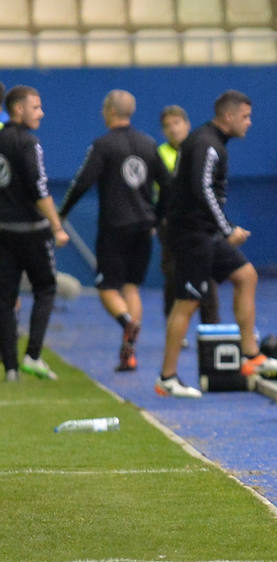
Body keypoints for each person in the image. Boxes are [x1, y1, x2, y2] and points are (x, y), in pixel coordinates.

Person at [156, 90, 277, 397]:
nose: (249, 123)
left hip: (203, 233)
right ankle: (167, 377)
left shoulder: (211, 142)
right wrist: (226, 228)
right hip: (191, 236)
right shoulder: (206, 143)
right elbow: (203, 189)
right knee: (186, 304)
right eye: (245, 117)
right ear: (228, 117)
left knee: (246, 275)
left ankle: (251, 356)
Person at [60, 90, 170, 372]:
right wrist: (156, 219)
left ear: (109, 110)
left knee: (107, 287)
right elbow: (169, 187)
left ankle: (126, 324)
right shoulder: (148, 144)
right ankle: (129, 352)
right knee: (131, 288)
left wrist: (60, 214)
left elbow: (82, 183)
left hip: (114, 228)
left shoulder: (103, 145)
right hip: (144, 227)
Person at [0, 85, 70, 381]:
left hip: (3, 229)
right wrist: (56, 226)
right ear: (18, 108)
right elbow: (39, 189)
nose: (41, 113)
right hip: (31, 230)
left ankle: (11, 368)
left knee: (4, 297)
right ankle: (33, 355)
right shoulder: (29, 143)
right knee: (45, 288)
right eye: (36, 107)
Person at [157, 105, 220, 327]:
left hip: (199, 224)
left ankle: (211, 326)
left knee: (206, 273)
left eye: (176, 123)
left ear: (187, 124)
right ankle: (174, 325)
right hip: (171, 225)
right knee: (173, 276)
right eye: (167, 126)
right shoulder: (160, 154)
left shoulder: (199, 149)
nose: (173, 129)